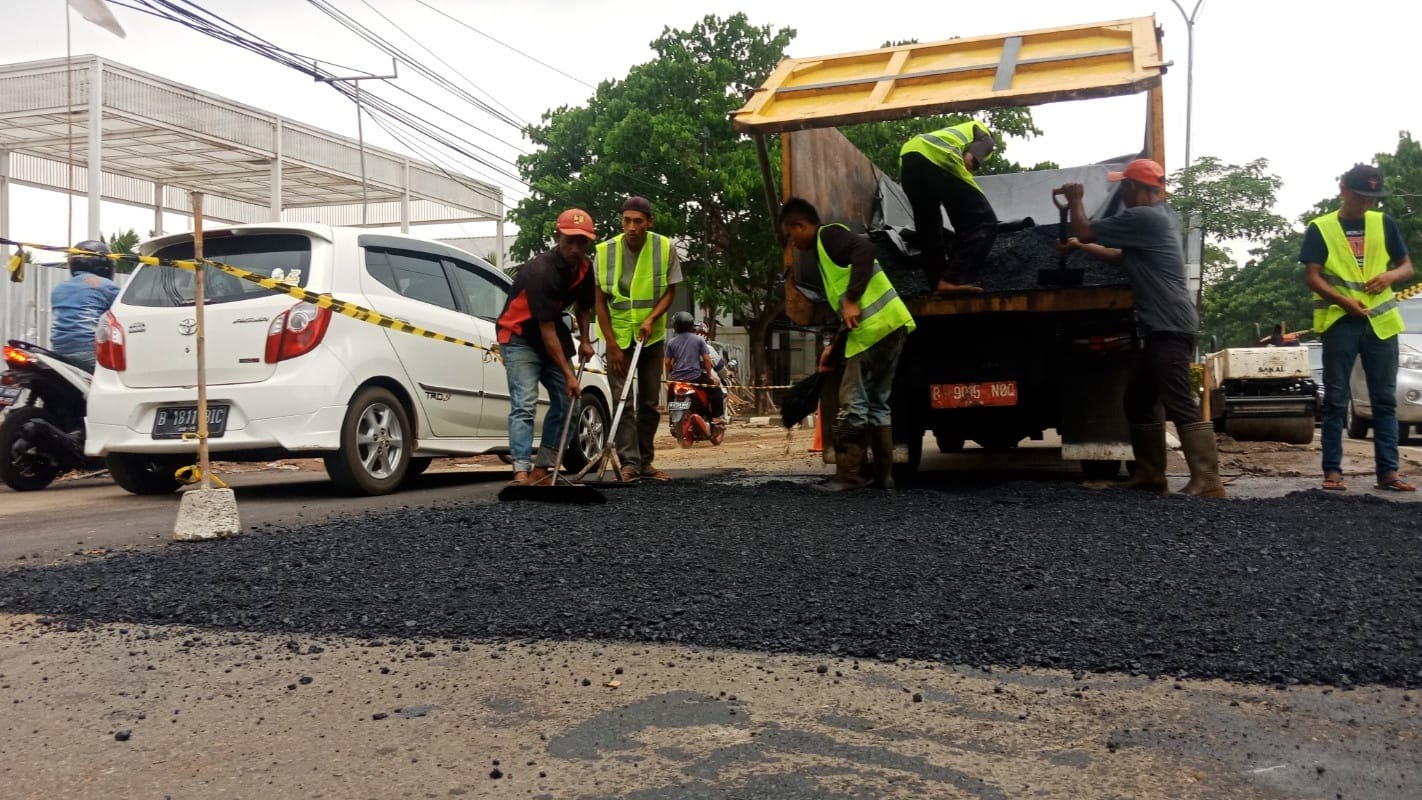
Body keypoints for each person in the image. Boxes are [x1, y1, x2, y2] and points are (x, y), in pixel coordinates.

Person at [1057, 158, 1225, 498]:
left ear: (1133, 188)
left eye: (1124, 186)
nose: (1122, 192)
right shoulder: (1161, 217)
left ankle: (1208, 481)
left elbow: (1086, 228)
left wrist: (1076, 201)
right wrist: (1080, 247)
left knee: (1177, 401)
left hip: (1169, 326)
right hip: (1161, 326)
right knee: (1138, 399)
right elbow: (1120, 257)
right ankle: (1150, 475)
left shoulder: (1144, 217)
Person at [779, 197, 916, 492]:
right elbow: (847, 312)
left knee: (853, 400)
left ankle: (850, 476)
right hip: (892, 326)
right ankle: (884, 478)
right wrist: (834, 347)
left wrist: (852, 298)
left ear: (800, 226)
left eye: (791, 236)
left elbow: (865, 249)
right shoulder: (825, 253)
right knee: (878, 403)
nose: (793, 243)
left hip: (872, 332)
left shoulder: (828, 236)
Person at [1301, 163, 1415, 492]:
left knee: (1384, 399)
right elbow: (1313, 276)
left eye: (1373, 197)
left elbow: (1406, 267)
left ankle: (1388, 473)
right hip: (1340, 321)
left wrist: (1390, 277)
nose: (1368, 203)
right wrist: (1344, 301)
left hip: (1381, 322)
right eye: (1362, 196)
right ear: (1345, 191)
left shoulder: (1384, 223)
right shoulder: (1321, 227)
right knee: (1337, 398)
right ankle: (1333, 472)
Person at [495, 208, 597, 487]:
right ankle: (520, 472)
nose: (575, 248)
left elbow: (585, 306)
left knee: (569, 404)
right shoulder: (542, 270)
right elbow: (547, 330)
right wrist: (568, 375)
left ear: (589, 242)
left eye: (582, 242)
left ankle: (544, 469)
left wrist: (586, 340)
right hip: (519, 337)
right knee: (525, 403)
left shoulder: (586, 268)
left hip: (551, 334)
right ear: (557, 237)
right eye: (569, 241)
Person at [594, 196, 681, 483]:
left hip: (651, 337)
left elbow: (670, 291)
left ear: (649, 222)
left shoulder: (664, 247)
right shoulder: (604, 251)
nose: (631, 227)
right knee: (623, 400)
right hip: (618, 337)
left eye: (638, 221)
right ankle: (628, 463)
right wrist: (611, 344)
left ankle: (645, 462)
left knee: (648, 402)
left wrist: (651, 318)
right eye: (626, 221)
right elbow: (599, 302)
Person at [899, 119, 999, 293]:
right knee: (983, 221)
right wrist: (971, 165)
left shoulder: (954, 133)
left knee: (929, 229)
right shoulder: (985, 134)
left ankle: (938, 283)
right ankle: (954, 278)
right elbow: (970, 159)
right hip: (938, 155)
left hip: (908, 159)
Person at [49, 239, 119, 371]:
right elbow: (123, 314)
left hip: (59, 350)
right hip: (89, 349)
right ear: (105, 265)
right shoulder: (106, 286)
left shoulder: (59, 288)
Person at [664, 311, 725, 425]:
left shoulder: (671, 342)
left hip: (677, 378)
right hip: (695, 377)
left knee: (671, 393)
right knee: (715, 389)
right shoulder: (699, 340)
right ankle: (717, 417)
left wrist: (670, 375)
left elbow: (667, 362)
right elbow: (707, 359)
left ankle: (671, 417)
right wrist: (710, 375)